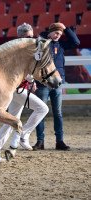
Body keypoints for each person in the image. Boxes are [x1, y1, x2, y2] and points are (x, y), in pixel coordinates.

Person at [0, 23, 49, 162]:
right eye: (28, 37)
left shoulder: (27, 50)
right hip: (13, 89)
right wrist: (28, 79)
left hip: (19, 88)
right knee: (42, 108)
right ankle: (23, 135)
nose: (31, 39)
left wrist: (30, 81)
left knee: (11, 122)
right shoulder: (13, 51)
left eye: (32, 36)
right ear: (20, 37)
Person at [33, 22, 80, 151]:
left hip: (57, 83)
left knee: (58, 113)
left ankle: (59, 141)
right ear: (50, 32)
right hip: (43, 83)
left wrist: (66, 29)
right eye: (56, 33)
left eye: (60, 34)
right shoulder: (40, 43)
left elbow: (76, 43)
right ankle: (40, 142)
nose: (58, 36)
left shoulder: (60, 44)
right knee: (40, 112)